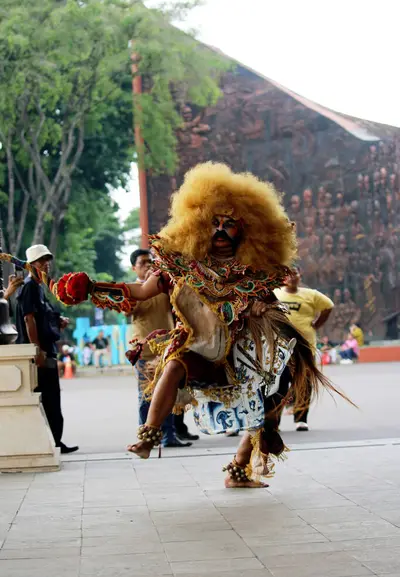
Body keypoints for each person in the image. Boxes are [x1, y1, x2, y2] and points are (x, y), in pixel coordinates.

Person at [15, 164, 350, 488]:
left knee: (263, 409)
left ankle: (238, 469)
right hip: (198, 350)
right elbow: (140, 291)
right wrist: (91, 288)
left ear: (246, 229)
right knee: (174, 365)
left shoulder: (254, 274)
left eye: (230, 223)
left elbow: (271, 313)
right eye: (214, 222)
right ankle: (149, 435)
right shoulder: (178, 266)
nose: (220, 230)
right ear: (199, 223)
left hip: (240, 358)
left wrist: (262, 309)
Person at [15, 245, 78, 454]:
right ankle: (51, 442)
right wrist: (37, 350)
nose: (46, 265)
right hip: (40, 354)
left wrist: (57, 320)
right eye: (42, 261)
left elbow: (41, 317)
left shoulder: (38, 287)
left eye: (47, 260)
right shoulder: (29, 287)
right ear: (31, 265)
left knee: (52, 398)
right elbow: (28, 319)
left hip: (47, 350)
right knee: (48, 398)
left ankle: (55, 441)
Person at [129, 248, 193, 448]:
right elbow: (127, 311)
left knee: (167, 392)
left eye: (150, 261)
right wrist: (144, 287)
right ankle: (145, 437)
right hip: (144, 350)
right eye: (142, 263)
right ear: (134, 268)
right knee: (146, 395)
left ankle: (168, 436)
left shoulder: (163, 287)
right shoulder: (135, 290)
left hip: (167, 348)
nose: (148, 265)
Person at [275, 267, 334, 431]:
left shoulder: (311, 294)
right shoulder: (275, 294)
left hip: (305, 347)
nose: (292, 277)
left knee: (303, 383)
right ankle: (275, 422)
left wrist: (318, 323)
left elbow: (329, 306)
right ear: (283, 277)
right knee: (278, 385)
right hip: (280, 348)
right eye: (289, 274)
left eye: (295, 274)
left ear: (300, 277)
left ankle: (301, 419)